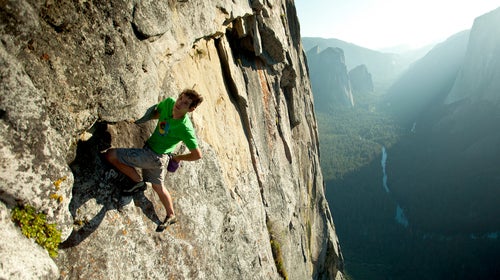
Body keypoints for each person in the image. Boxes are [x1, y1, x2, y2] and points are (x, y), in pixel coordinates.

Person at [105, 89, 203, 230]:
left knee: (111, 155)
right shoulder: (169, 103)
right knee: (158, 187)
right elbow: (157, 113)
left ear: (191, 109)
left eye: (186, 103)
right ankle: (171, 214)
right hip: (156, 156)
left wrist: (177, 158)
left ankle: (137, 181)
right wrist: (140, 118)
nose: (180, 103)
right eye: (181, 98)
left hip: (155, 157)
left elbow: (197, 154)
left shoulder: (185, 128)